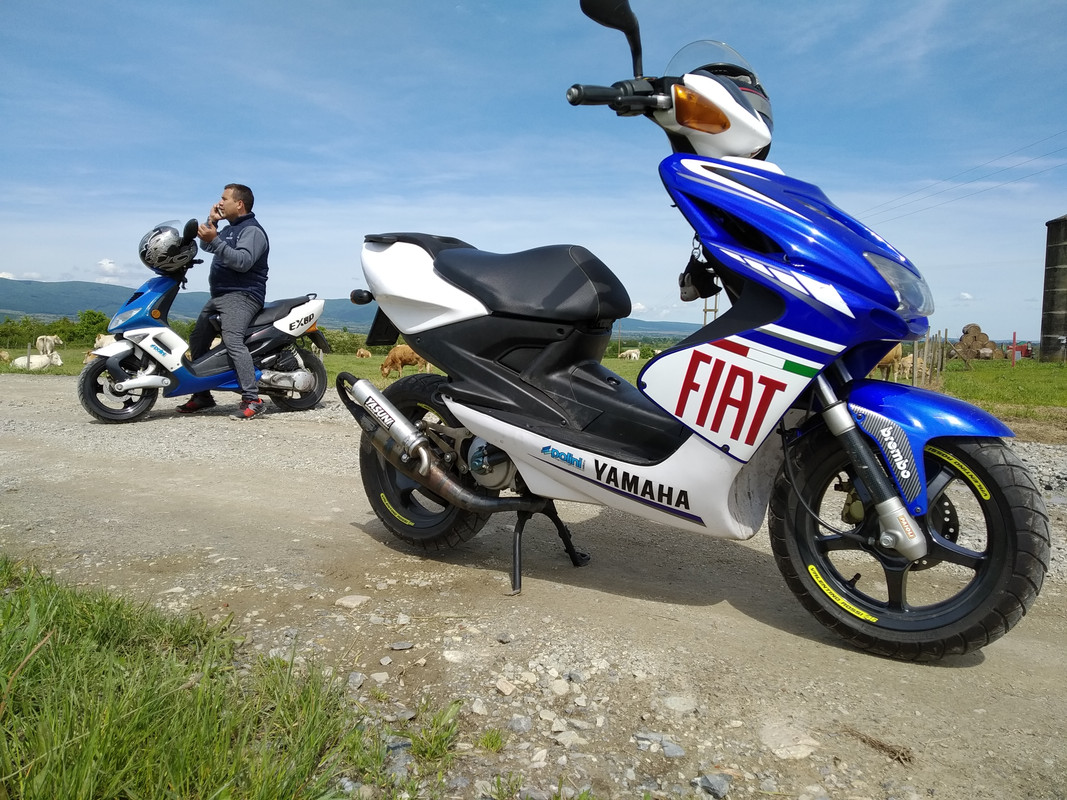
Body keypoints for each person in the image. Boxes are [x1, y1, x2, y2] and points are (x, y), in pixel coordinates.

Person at [176, 183, 270, 419]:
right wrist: (213, 223)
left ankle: (253, 399)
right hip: (220, 295)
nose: (220, 202)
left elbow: (243, 262)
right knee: (197, 338)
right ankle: (202, 395)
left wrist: (216, 239)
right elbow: (207, 245)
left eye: (224, 198)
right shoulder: (229, 229)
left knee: (233, 341)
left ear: (239, 204)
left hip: (243, 295)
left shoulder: (252, 231)